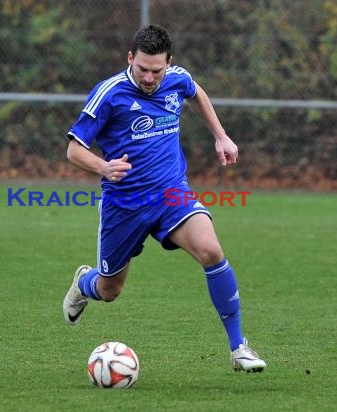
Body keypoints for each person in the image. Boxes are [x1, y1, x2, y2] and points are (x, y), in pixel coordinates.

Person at [62, 24, 266, 372]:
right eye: (142, 68)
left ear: (169, 63)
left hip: (172, 193)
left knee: (211, 251)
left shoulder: (176, 78)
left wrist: (220, 136)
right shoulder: (109, 93)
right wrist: (104, 166)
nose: (149, 77)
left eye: (157, 70)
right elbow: (73, 149)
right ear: (130, 59)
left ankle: (239, 348)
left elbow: (195, 90)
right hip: (124, 205)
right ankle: (84, 282)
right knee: (110, 290)